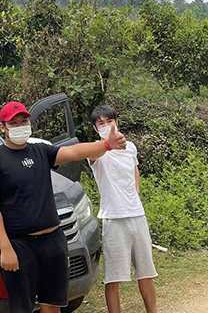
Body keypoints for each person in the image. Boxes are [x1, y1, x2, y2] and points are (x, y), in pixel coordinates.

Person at [0, 101, 126, 313]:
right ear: (2, 127)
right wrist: (5, 247)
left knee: (53, 303)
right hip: (20, 246)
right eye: (14, 123)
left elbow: (75, 151)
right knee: (22, 307)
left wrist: (106, 145)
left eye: (24, 121)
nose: (21, 126)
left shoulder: (40, 151)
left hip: (53, 241)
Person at [89, 105, 158, 313]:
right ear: (95, 128)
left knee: (146, 273)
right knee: (113, 279)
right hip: (113, 219)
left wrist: (135, 192)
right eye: (101, 123)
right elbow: (94, 156)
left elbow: (133, 169)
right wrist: (106, 144)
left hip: (137, 216)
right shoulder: (96, 149)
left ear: (116, 122)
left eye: (109, 121)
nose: (106, 125)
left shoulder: (130, 148)